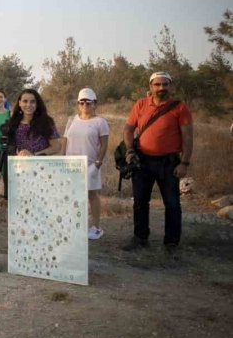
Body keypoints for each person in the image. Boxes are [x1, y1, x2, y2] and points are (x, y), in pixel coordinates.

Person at [122, 72, 193, 256]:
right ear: (151, 86)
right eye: (158, 84)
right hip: (142, 161)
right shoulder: (140, 105)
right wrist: (130, 150)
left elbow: (188, 137)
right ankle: (140, 238)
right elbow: (128, 129)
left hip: (168, 163)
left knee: (172, 204)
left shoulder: (179, 108)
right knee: (140, 202)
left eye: (165, 84)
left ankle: (171, 243)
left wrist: (184, 162)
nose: (162, 88)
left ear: (170, 86)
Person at [63, 88, 110, 240]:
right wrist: (62, 159)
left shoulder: (100, 122)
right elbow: (65, 141)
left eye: (88, 102)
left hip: (90, 164)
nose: (85, 105)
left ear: (94, 103)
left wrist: (98, 163)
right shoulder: (72, 120)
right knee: (73, 195)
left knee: (92, 194)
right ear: (78, 103)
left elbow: (104, 145)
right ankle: (75, 225)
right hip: (71, 164)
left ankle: (95, 227)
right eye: (81, 102)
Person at [7, 89, 61, 156]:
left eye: (32, 102)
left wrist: (34, 155)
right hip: (21, 164)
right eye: (25, 101)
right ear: (19, 103)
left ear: (37, 104)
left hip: (41, 164)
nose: (28, 104)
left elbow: (56, 147)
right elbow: (10, 147)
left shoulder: (46, 122)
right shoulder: (13, 123)